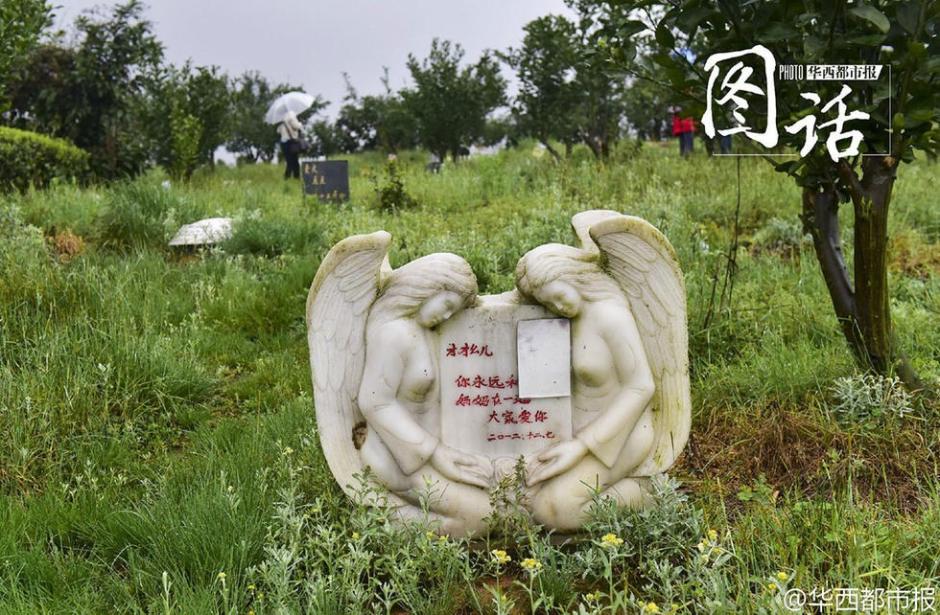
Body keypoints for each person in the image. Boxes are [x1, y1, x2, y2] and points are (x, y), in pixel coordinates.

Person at [515, 244, 656, 530]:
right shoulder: (570, 318)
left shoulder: (610, 316)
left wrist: (582, 445)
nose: (558, 308)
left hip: (620, 434)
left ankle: (647, 496)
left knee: (554, 510)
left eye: (558, 296)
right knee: (525, 497)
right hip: (576, 433)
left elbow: (641, 386)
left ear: (574, 278)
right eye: (548, 304)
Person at [357, 253, 494, 535]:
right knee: (484, 516)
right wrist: (435, 451)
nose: (445, 316)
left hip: (428, 453)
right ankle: (386, 520)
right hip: (397, 457)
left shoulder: (426, 331)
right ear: (426, 290)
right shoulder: (394, 334)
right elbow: (374, 401)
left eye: (452, 312)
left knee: (495, 501)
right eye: (445, 305)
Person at [278, 110, 303, 179]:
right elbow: (296, 126)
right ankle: (295, 177)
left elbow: (278, 131)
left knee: (289, 161)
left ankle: (287, 177)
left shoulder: (281, 118)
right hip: (291, 142)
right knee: (295, 161)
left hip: (283, 142)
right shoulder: (291, 115)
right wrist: (300, 123)